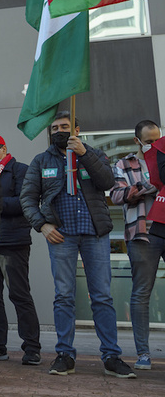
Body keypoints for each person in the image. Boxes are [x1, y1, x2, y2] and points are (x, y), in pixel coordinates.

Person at [20, 111, 136, 379]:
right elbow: (28, 198)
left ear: (77, 129)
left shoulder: (95, 154)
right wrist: (42, 225)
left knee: (102, 296)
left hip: (95, 234)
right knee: (64, 296)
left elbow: (107, 182)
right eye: (55, 128)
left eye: (65, 126)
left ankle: (111, 356)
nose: (59, 131)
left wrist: (84, 153)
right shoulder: (41, 161)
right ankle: (65, 354)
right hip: (62, 236)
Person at [0, 135, 41, 365]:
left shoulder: (19, 170)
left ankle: (32, 347)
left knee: (19, 294)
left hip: (12, 241)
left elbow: (24, 202)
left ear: (2, 149)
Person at [110, 119, 162, 370]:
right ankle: (143, 353)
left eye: (158, 139)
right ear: (137, 141)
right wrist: (147, 186)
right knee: (141, 293)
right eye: (149, 141)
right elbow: (116, 195)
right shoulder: (124, 164)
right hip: (142, 233)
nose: (154, 144)